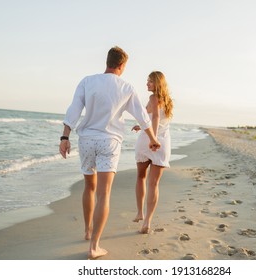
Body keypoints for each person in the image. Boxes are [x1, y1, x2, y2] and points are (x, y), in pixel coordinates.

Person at [59, 46, 160, 259]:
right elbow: (142, 117)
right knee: (104, 193)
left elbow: (74, 110)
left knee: (89, 187)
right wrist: (152, 139)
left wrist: (65, 137)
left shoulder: (87, 81)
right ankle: (94, 246)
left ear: (107, 61)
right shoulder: (126, 87)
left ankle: (87, 231)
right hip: (110, 142)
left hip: (86, 140)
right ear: (122, 66)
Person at [131, 71, 173, 234]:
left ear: (157, 83)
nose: (147, 84)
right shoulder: (168, 101)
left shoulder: (153, 98)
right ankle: (147, 221)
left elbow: (155, 117)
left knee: (141, 177)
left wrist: (152, 139)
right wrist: (141, 126)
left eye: (150, 81)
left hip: (150, 141)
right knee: (154, 183)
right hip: (164, 142)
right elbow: (155, 119)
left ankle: (140, 212)